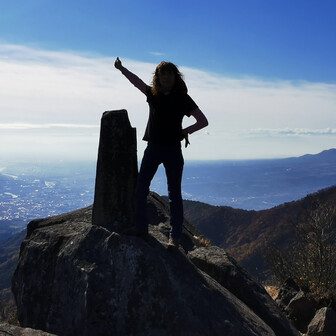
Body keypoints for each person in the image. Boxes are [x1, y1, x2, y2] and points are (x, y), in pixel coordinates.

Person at [114, 57, 208, 250]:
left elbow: (203, 121)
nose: (166, 77)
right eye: (162, 74)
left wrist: (186, 131)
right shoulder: (152, 94)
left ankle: (174, 238)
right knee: (141, 189)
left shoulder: (183, 98)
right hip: (155, 148)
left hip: (171, 149)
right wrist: (122, 69)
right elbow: (137, 82)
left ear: (175, 76)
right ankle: (141, 228)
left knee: (173, 194)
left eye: (169, 74)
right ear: (157, 77)